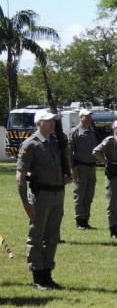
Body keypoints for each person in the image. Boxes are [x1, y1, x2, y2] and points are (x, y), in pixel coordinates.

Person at [16, 108, 70, 290]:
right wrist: (26, 203)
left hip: (57, 193)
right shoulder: (30, 144)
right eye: (48, 121)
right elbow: (20, 175)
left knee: (52, 236)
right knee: (37, 236)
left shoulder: (55, 143)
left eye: (54, 121)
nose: (53, 123)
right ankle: (37, 275)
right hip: (41, 196)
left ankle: (47, 274)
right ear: (39, 123)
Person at [93, 119, 117, 239]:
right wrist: (107, 163)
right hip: (114, 178)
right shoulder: (109, 141)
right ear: (114, 129)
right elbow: (95, 151)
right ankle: (112, 230)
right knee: (112, 205)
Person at [67, 108, 97, 230]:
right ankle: (79, 221)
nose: (89, 118)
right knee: (79, 194)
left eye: (90, 116)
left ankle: (86, 220)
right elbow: (69, 152)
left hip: (91, 167)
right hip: (80, 167)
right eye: (87, 116)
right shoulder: (75, 132)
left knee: (89, 195)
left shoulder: (92, 132)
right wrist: (72, 169)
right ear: (81, 118)